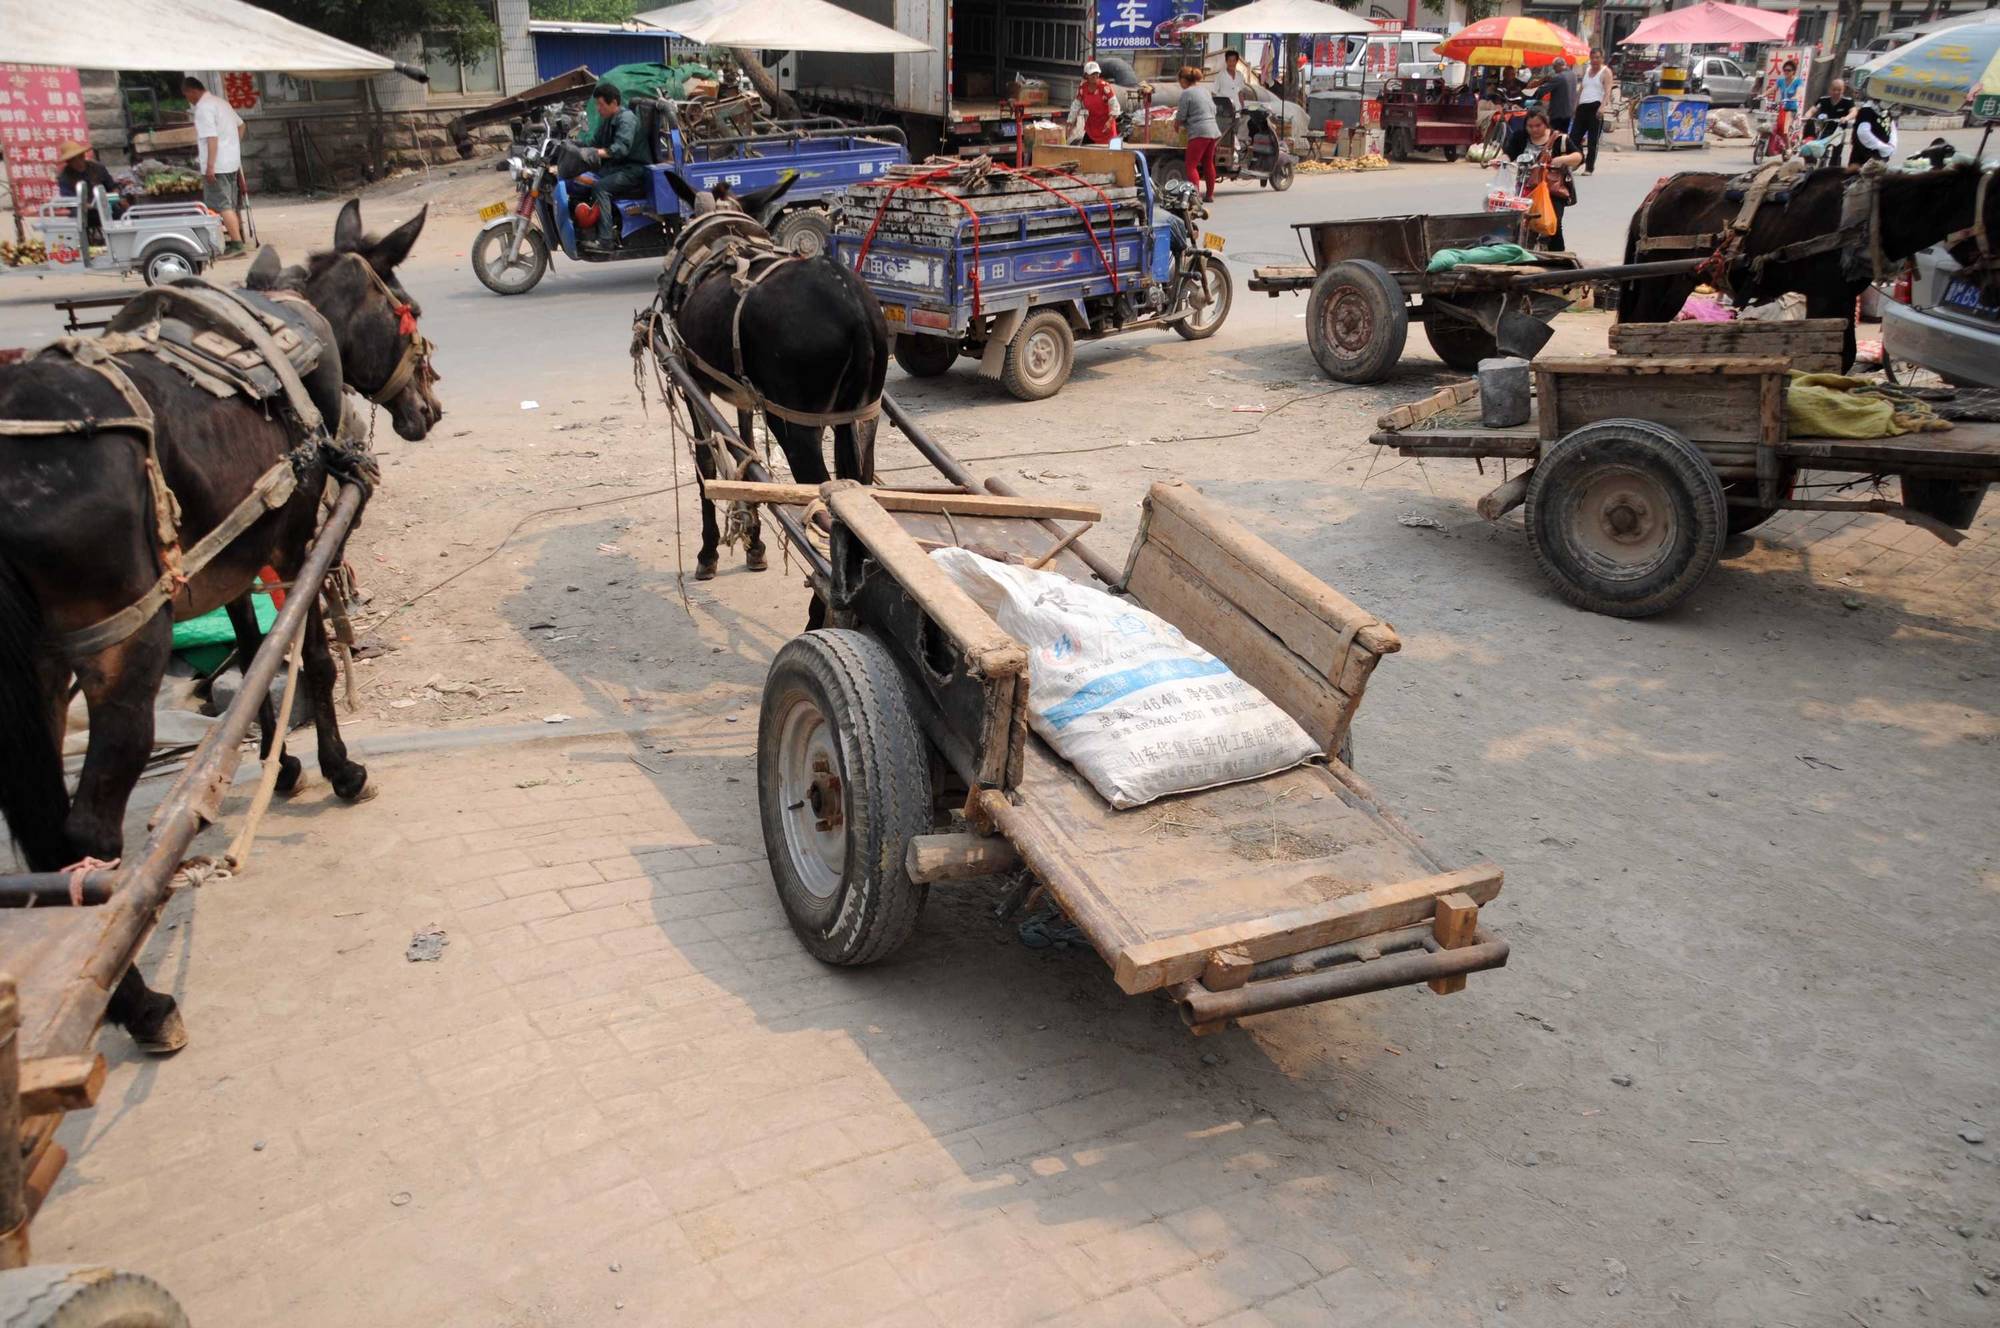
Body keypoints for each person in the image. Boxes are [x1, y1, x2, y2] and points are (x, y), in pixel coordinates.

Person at [183, 75, 246, 257]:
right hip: (231, 162)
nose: (188, 100)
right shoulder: (221, 103)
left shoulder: (204, 108)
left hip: (217, 164)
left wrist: (210, 166)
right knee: (230, 204)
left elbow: (212, 137)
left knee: (222, 204)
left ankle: (236, 244)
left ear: (192, 91)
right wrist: (232, 146)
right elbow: (242, 126)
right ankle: (236, 239)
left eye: (187, 95)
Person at [1503, 108, 1583, 250]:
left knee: (1553, 224)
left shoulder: (1559, 139)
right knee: (1522, 223)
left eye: (1538, 126)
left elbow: (1578, 156)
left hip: (1552, 190)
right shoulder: (1520, 137)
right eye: (1530, 126)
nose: (1534, 130)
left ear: (1546, 124)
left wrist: (1561, 159)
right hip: (1527, 188)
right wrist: (1501, 160)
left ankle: (1559, 258)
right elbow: (1509, 154)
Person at [582, 81, 648, 247]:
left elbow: (620, 149)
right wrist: (574, 146)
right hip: (619, 166)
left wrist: (594, 153)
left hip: (634, 169)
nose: (598, 109)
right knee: (585, 179)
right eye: (597, 105)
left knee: (600, 187)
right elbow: (594, 142)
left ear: (614, 103)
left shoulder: (626, 119)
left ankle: (606, 239)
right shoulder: (608, 119)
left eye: (601, 104)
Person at [1173, 66, 1219, 202]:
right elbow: (1214, 110)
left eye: (1179, 81)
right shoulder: (1205, 91)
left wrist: (1177, 125)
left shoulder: (1186, 93)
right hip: (1213, 131)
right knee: (1208, 163)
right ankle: (1209, 195)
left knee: (1190, 166)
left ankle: (1195, 197)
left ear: (1183, 80)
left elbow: (1180, 115)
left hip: (1199, 132)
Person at [1571, 48, 1611, 174]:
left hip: (1596, 107)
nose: (1595, 60)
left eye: (1597, 58)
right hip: (1583, 107)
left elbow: (1608, 91)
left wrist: (1602, 106)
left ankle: (1589, 167)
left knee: (1592, 141)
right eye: (1593, 58)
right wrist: (1575, 105)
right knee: (1573, 138)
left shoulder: (1606, 72)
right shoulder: (1587, 71)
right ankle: (1579, 158)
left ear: (1602, 58)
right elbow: (1581, 89)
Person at [55, 141, 123, 214]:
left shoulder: (98, 168)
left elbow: (112, 186)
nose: (78, 162)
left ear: (84, 156)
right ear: (68, 162)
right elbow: (68, 199)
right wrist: (88, 206)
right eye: (73, 160)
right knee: (80, 213)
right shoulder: (64, 176)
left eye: (80, 157)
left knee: (119, 211)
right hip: (83, 210)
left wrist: (115, 196)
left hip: (105, 205)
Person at [1067, 60, 1122, 146]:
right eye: (1092, 74)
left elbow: (1115, 105)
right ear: (1086, 75)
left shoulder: (1105, 87)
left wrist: (1110, 121)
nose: (1095, 76)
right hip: (1092, 126)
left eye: (1097, 73)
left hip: (1106, 126)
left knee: (1110, 153)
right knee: (1085, 150)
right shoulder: (1083, 87)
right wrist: (1070, 122)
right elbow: (1076, 105)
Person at [1212, 48, 1254, 162]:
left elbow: (1240, 92)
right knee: (1224, 133)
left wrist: (1243, 106)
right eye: (1229, 60)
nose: (1231, 63)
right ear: (1226, 61)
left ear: (1236, 62)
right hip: (1224, 111)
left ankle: (1233, 154)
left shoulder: (1240, 75)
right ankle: (1220, 154)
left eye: (1234, 60)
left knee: (1235, 132)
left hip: (1237, 110)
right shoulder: (1221, 75)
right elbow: (1214, 92)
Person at [1807, 77, 1855, 143]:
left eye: (1839, 90)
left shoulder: (1848, 101)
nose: (1836, 92)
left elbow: (1853, 112)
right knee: (1818, 147)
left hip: (1839, 131)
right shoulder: (1823, 100)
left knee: (1837, 147)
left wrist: (1846, 118)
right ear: (1830, 89)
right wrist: (1807, 116)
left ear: (1843, 90)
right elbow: (1813, 110)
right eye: (1834, 89)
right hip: (1824, 129)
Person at [1851, 97, 1897, 165]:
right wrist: (1882, 147)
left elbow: (1892, 129)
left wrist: (1892, 145)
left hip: (1881, 157)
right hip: (1865, 157)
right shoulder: (1866, 111)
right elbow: (1863, 133)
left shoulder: (1886, 112)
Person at [1770, 58, 1806, 146]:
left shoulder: (1798, 81)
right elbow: (1773, 89)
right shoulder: (1780, 80)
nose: (1786, 72)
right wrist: (1762, 95)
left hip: (1791, 108)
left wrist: (1795, 97)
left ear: (1793, 71)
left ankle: (1788, 147)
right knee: (1775, 126)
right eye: (1785, 70)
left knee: (1784, 129)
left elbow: (1799, 92)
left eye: (1789, 70)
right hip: (1782, 107)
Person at [1540, 57, 1576, 134]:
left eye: (1554, 68)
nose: (1554, 71)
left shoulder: (1559, 77)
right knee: (1563, 136)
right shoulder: (1573, 75)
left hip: (1557, 113)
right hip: (1569, 112)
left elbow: (1542, 90)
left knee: (1553, 136)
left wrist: (1543, 81)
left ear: (1558, 66)